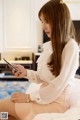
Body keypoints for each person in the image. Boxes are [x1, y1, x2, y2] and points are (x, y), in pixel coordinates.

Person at [0, 0, 79, 120]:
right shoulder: (50, 46)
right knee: (6, 116)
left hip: (55, 103)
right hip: (45, 99)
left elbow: (58, 84)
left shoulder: (71, 46)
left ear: (59, 20)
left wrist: (28, 98)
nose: (43, 27)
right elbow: (43, 77)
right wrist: (26, 72)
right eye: (42, 22)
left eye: (47, 21)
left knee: (2, 107)